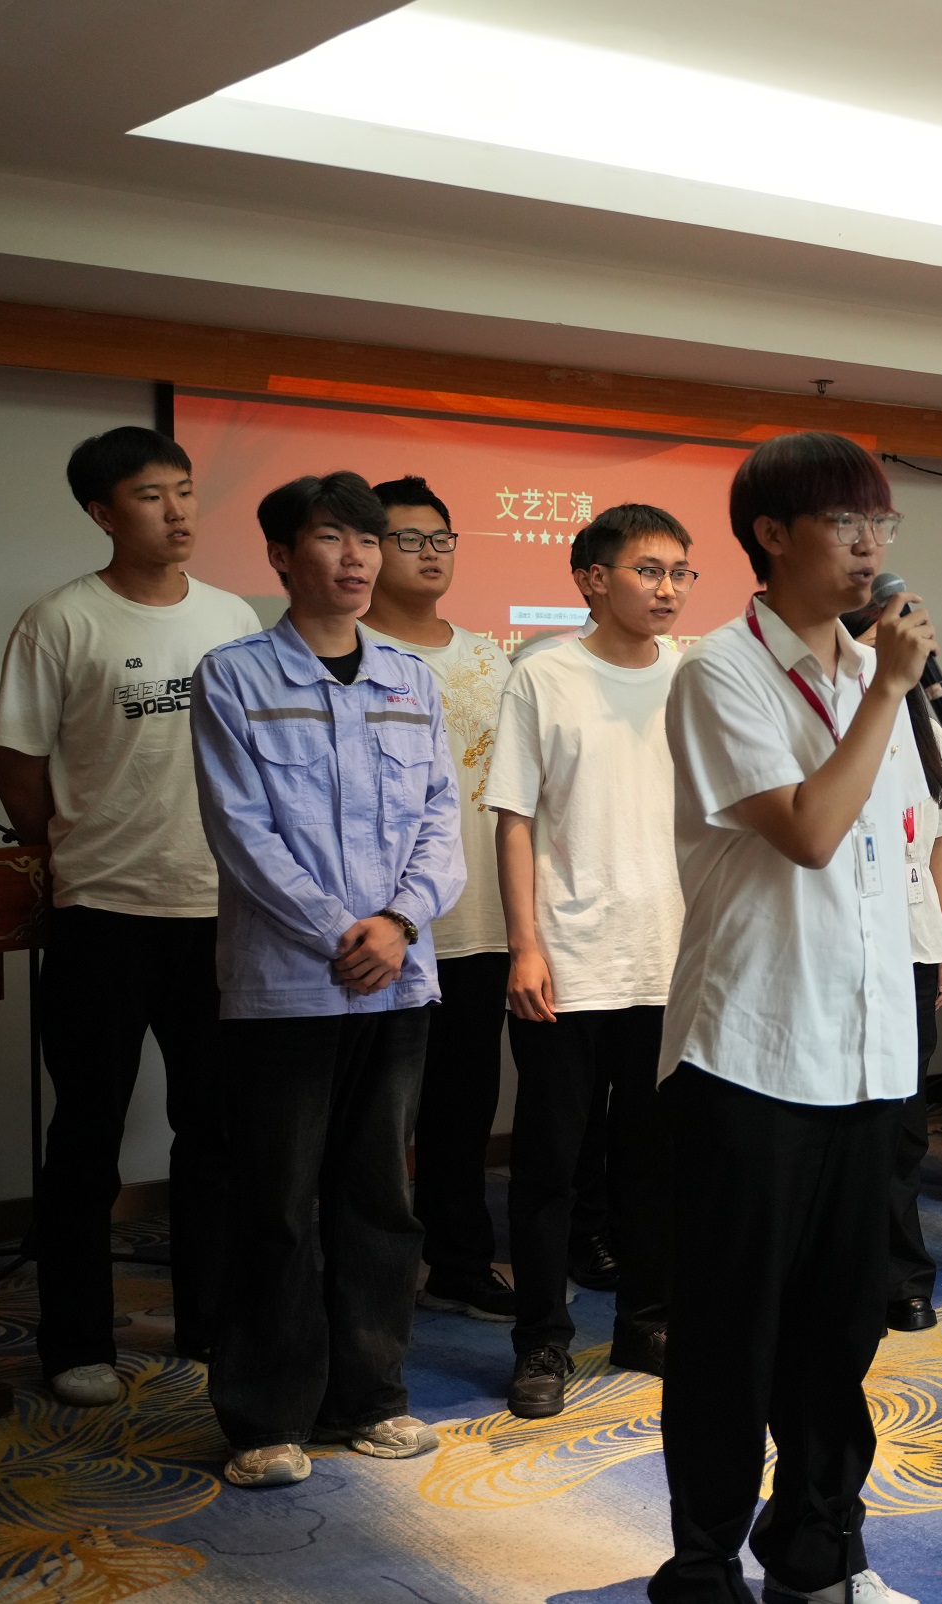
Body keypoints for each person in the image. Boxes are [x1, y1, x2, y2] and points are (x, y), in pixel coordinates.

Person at [652, 432, 932, 1604]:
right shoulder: (718, 671)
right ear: (771, 536)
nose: (869, 546)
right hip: (752, 1052)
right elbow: (811, 830)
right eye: (844, 522)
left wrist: (882, 686)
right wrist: (885, 691)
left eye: (880, 523)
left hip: (865, 1050)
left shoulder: (875, 669)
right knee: (732, 1333)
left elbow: (894, 846)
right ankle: (701, 1566)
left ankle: (818, 1552)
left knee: (840, 1331)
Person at [192, 471, 465, 1486]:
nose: (357, 557)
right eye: (331, 537)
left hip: (397, 981)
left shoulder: (409, 678)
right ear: (280, 555)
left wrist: (398, 923)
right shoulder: (233, 676)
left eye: (369, 539)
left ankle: (372, 1396)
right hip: (286, 986)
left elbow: (443, 819)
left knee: (379, 1200)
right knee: (276, 1204)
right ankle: (266, 1416)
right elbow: (240, 830)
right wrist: (339, 930)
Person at [0, 426, 261, 1407]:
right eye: (152, 495)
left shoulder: (233, 617)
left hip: (219, 913)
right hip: (102, 915)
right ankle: (74, 1341)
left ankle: (210, 1317)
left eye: (185, 489)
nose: (178, 510)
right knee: (87, 1137)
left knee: (215, 1132)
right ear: (103, 513)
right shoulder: (60, 622)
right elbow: (17, 770)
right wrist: (68, 855)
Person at [483, 503, 694, 1419]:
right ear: (592, 580)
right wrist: (525, 945)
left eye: (680, 572)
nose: (668, 588)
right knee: (549, 1170)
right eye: (649, 570)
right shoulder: (545, 675)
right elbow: (514, 820)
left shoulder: (694, 675)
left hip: (670, 960)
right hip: (566, 964)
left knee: (656, 1163)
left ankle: (649, 1322)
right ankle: (542, 1340)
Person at [356, 475, 518, 1324]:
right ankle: (369, 1277)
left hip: (482, 918)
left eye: (441, 539)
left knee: (464, 1106)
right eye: (408, 539)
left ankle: (458, 1260)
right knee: (376, 1116)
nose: (430, 554)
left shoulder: (492, 655)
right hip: (388, 927)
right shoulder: (348, 651)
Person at [887, 653, 942, 1335]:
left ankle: (904, 1276)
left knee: (908, 1123)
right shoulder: (837, 713)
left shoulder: (927, 724)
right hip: (844, 946)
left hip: (914, 944)